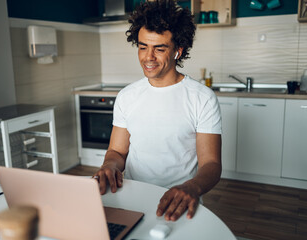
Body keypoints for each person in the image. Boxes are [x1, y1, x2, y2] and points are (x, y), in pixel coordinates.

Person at [93, 0, 222, 222]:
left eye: (159, 49)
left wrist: (192, 187)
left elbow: (211, 164)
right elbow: (117, 152)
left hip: (180, 200)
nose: (148, 57)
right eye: (143, 47)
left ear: (177, 51)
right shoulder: (127, 96)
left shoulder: (202, 98)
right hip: (132, 197)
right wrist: (108, 166)